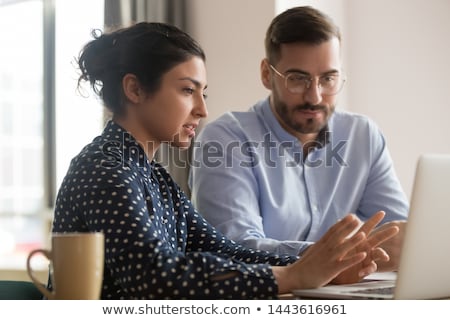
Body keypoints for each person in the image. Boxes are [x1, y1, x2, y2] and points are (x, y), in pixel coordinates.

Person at [51, 21, 398, 300]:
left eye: (204, 93)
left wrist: (325, 264)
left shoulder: (153, 175)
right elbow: (156, 279)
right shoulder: (105, 167)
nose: (202, 109)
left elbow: (228, 252)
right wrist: (295, 274)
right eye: (188, 90)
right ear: (135, 89)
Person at [189, 6, 408, 272]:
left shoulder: (363, 136)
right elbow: (235, 248)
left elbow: (399, 236)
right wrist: (334, 257)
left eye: (328, 79)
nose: (314, 96)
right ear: (267, 75)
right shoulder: (224, 140)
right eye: (298, 79)